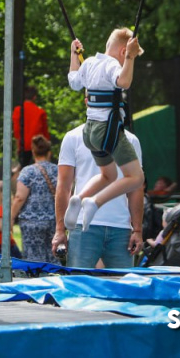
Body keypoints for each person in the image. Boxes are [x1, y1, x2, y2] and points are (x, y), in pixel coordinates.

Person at [64, 28, 144, 231]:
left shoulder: (89, 62)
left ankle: (79, 198)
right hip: (107, 131)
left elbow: (74, 82)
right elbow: (124, 82)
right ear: (123, 51)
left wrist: (74, 55)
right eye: (127, 54)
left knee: (108, 175)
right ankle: (94, 202)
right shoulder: (111, 66)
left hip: (90, 132)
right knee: (136, 177)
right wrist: (130, 58)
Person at [53, 123, 144, 269]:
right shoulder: (74, 137)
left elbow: (64, 187)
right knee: (84, 283)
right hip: (90, 225)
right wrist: (59, 230)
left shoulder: (131, 140)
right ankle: (90, 201)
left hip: (113, 225)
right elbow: (63, 187)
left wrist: (138, 229)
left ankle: (85, 198)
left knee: (81, 283)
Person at [10, 136, 58, 262]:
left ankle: (36, 280)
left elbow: (20, 197)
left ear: (33, 152)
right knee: (53, 256)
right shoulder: (58, 170)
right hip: (53, 220)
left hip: (31, 222)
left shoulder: (27, 171)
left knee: (33, 259)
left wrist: (11, 217)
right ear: (49, 153)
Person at [12, 85, 49, 167]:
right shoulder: (40, 112)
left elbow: (16, 131)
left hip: (23, 146)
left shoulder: (18, 110)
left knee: (23, 169)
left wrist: (17, 147)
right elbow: (45, 133)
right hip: (38, 147)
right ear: (34, 97)